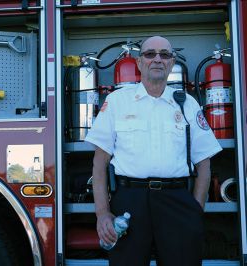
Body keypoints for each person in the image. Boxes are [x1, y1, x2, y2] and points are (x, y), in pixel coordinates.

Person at [85, 36, 222, 266]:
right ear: (139, 63)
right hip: (130, 202)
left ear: (172, 62)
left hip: (177, 202)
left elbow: (204, 162)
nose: (157, 59)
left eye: (164, 55)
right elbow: (99, 163)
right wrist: (102, 213)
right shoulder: (118, 101)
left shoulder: (187, 104)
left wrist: (195, 211)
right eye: (150, 54)